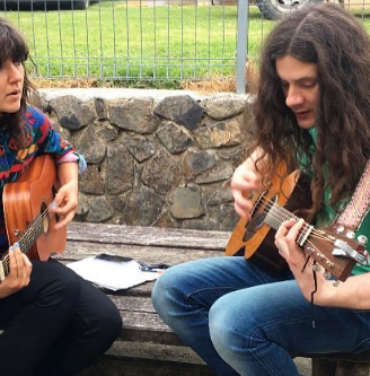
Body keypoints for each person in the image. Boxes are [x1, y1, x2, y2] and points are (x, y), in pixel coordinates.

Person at [151, 3, 370, 376]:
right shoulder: (322, 121)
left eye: (306, 84)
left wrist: (328, 292)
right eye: (284, 84)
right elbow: (280, 147)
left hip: (357, 304)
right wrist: (251, 165)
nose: (290, 99)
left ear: (344, 83)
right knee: (172, 291)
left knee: (233, 321)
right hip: (307, 271)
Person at [0, 17, 122, 376]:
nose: (15, 75)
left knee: (102, 321)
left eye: (18, 62)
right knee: (61, 286)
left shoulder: (27, 122)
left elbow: (65, 152)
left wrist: (70, 185)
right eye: (0, 67)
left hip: (22, 260)